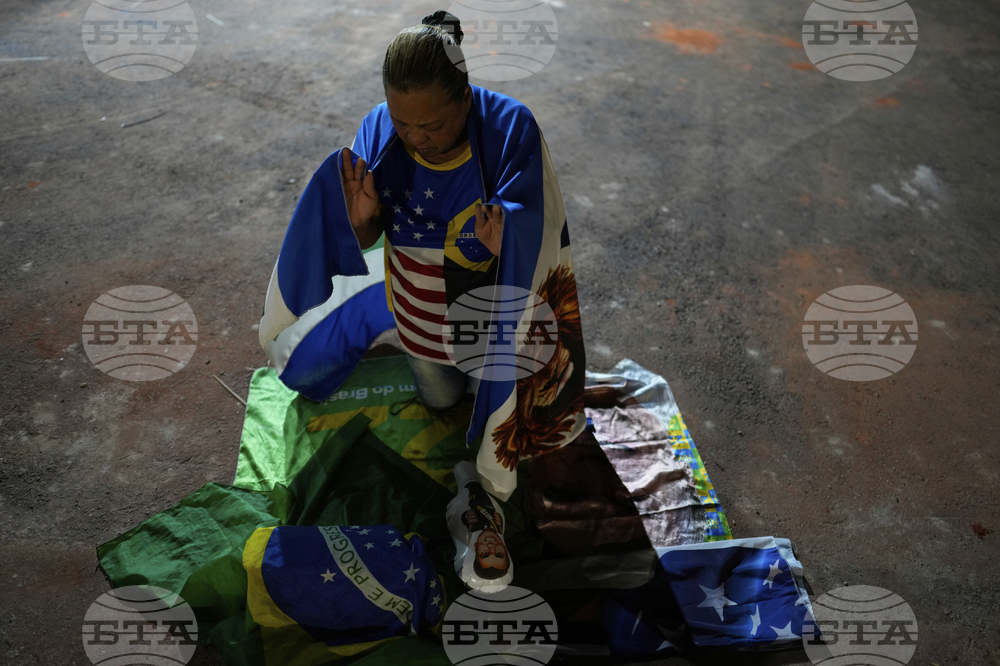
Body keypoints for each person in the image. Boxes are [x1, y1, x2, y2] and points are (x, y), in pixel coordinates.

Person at [259, 11, 588, 500]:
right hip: (418, 319)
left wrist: (508, 243)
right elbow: (363, 237)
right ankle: (435, 365)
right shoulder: (379, 130)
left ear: (465, 95)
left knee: (495, 398)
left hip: (488, 322)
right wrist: (362, 220)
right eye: (402, 122)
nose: (415, 138)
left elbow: (538, 237)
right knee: (439, 398)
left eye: (431, 125)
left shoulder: (508, 128)